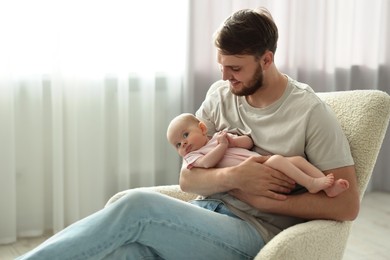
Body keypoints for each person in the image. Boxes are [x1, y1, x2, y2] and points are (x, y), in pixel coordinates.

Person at [17, 7, 360, 260]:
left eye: (236, 68)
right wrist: (237, 176)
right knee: (126, 253)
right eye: (222, 66)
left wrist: (263, 199)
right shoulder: (220, 95)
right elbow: (189, 180)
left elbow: (347, 206)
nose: (227, 77)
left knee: (138, 205)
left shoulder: (310, 112)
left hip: (254, 233)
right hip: (205, 213)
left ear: (267, 59)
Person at [167, 113, 349, 197]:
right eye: (177, 145)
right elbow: (207, 164)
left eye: (185, 135)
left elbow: (249, 143)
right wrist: (222, 146)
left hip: (257, 163)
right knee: (277, 159)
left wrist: (234, 141)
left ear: (202, 128)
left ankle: (327, 186)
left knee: (297, 160)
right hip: (253, 173)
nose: (183, 144)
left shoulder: (218, 137)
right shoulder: (193, 157)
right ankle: (311, 184)